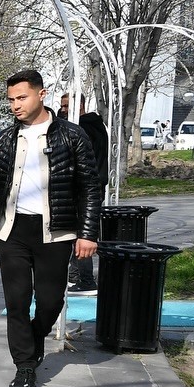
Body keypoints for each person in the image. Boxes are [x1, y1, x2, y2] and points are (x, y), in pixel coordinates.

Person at [0, 71, 103, 387]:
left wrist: (88, 233)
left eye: (21, 98)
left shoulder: (72, 136)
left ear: (41, 94)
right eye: (11, 100)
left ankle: (34, 340)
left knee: (50, 301)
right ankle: (24, 366)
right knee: (17, 302)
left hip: (56, 232)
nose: (15, 105)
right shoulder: (8, 138)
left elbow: (90, 187)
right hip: (12, 231)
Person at [59, 92, 109, 294]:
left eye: (66, 106)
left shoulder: (83, 129)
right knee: (76, 233)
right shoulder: (93, 126)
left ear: (79, 105)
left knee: (82, 234)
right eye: (62, 106)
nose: (62, 110)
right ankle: (75, 276)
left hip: (85, 189)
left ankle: (86, 279)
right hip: (89, 187)